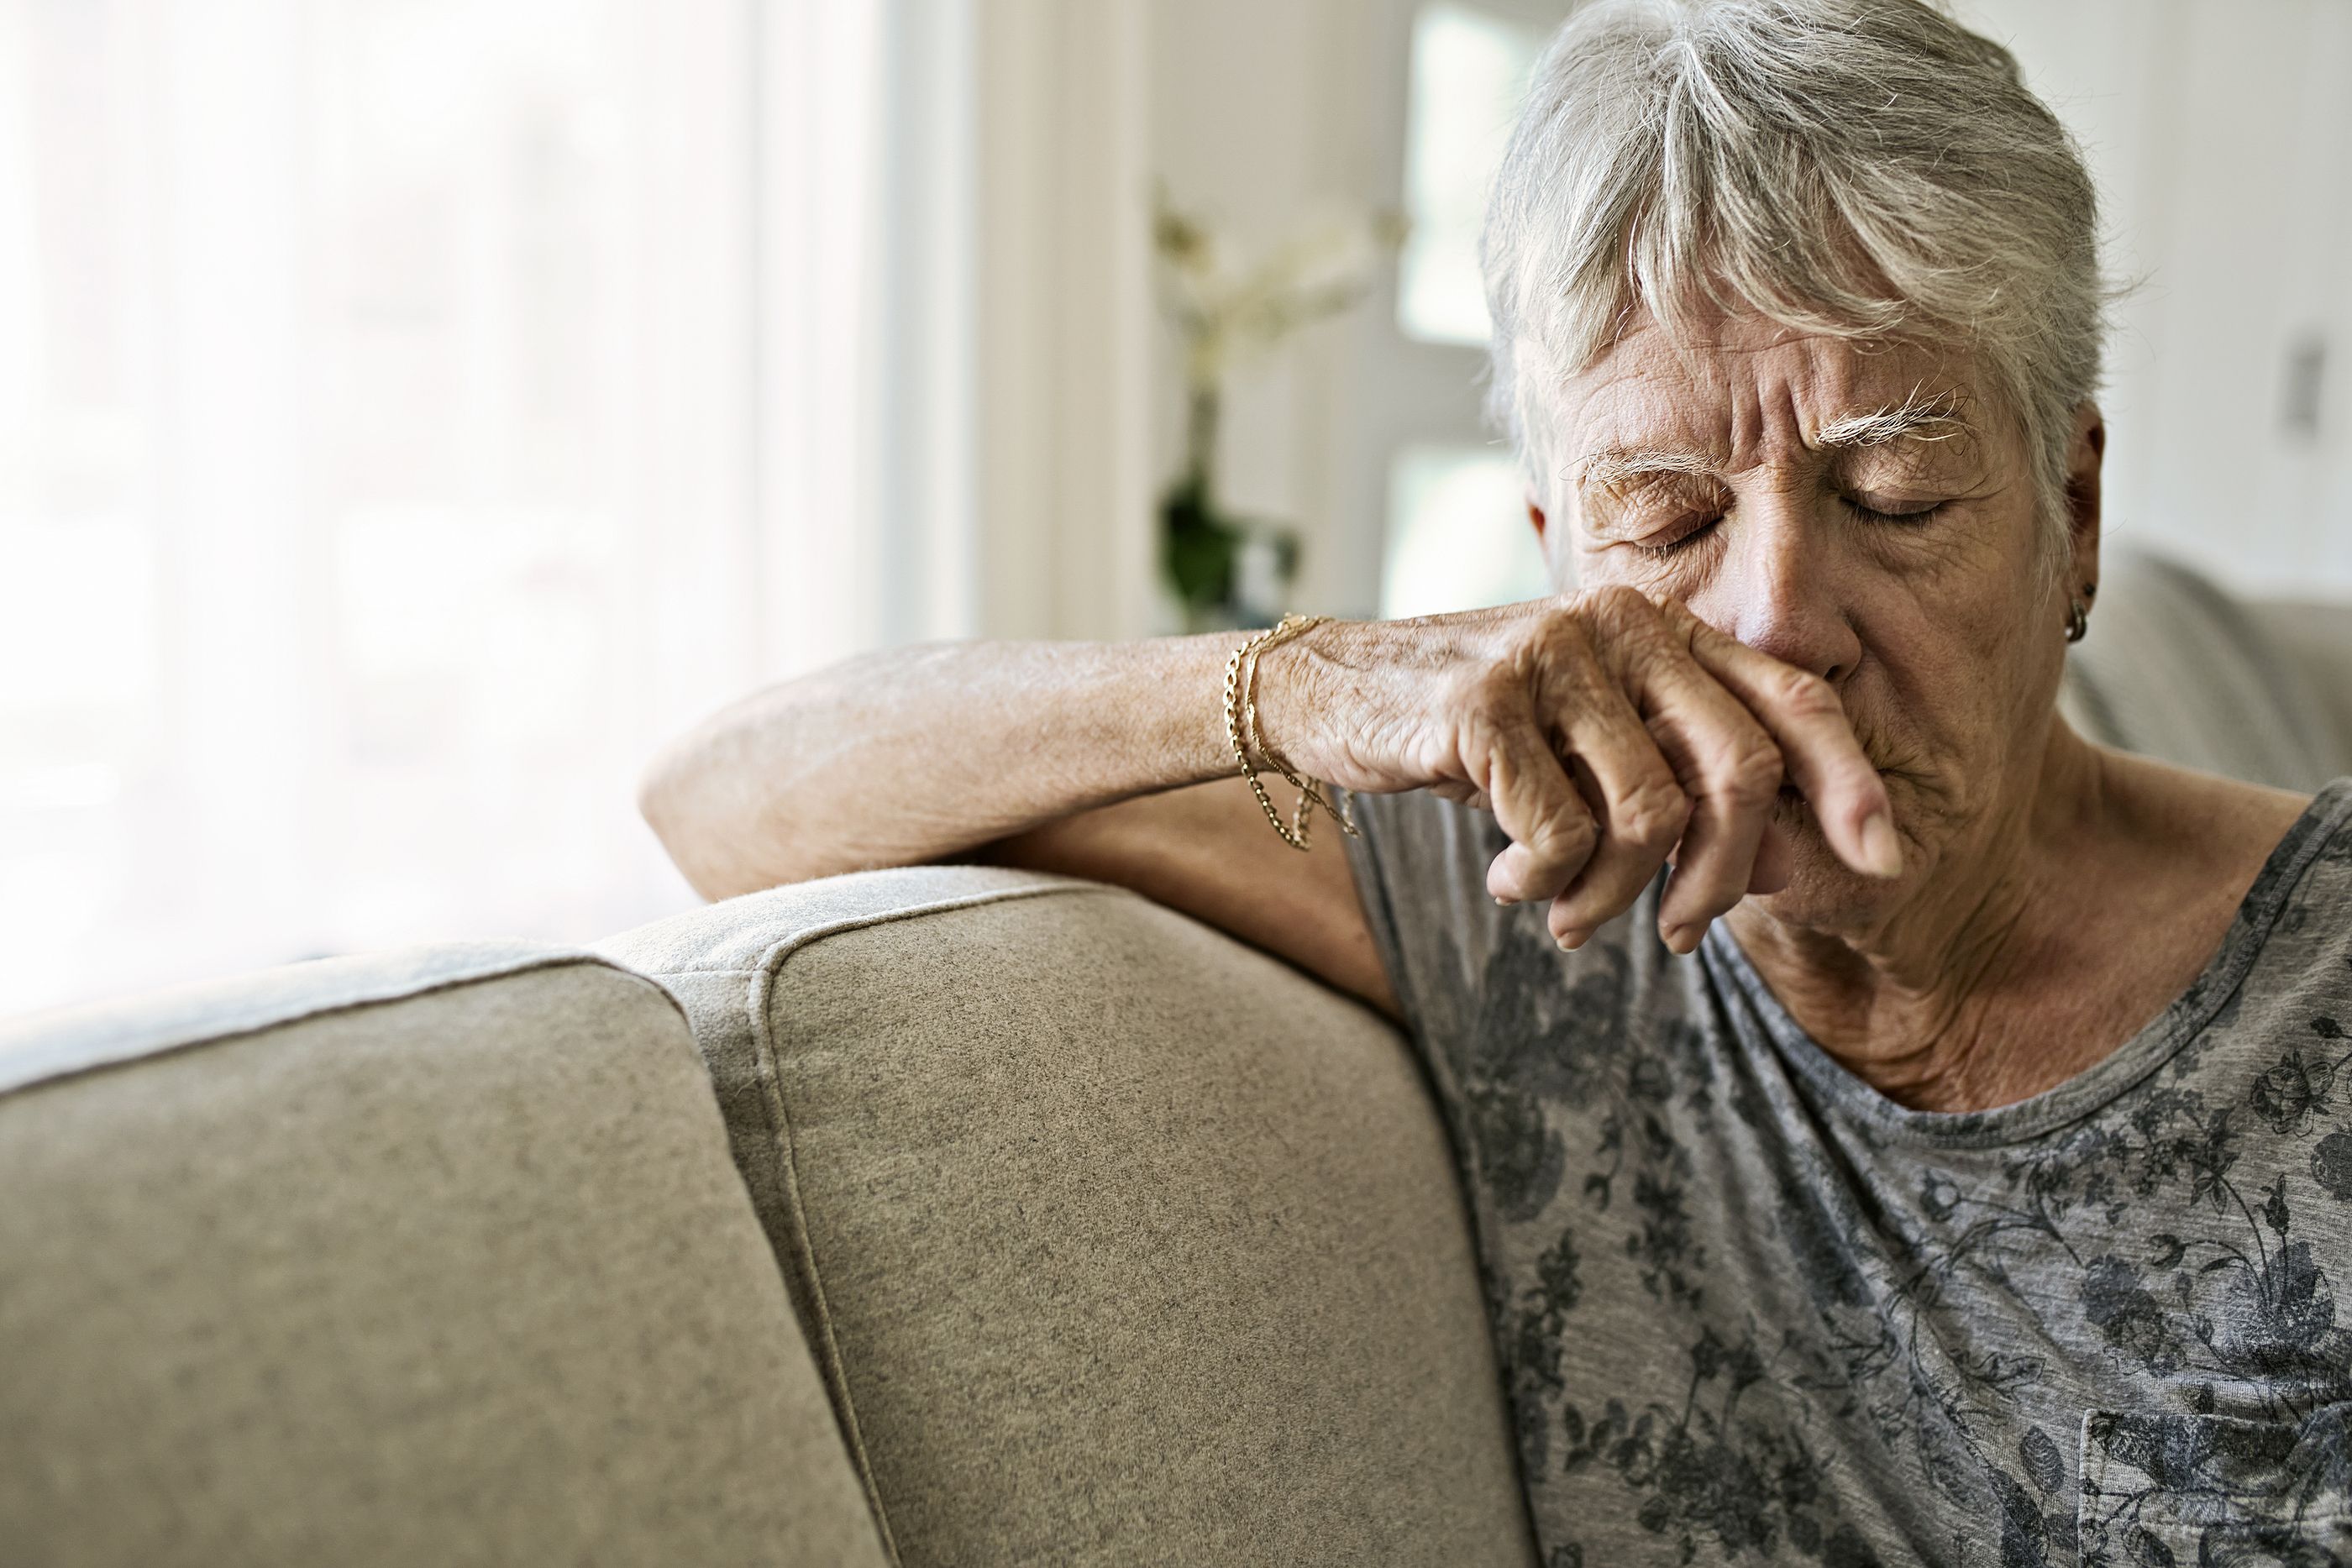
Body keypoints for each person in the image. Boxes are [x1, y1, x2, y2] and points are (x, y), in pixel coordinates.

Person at [640, 1, 2352, 1560]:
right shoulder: (1528, 892)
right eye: (1666, 517)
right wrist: (1299, 683)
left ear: (2068, 516)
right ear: (1552, 554)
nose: (1772, 616)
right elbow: (726, 796)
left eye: (1893, 493)